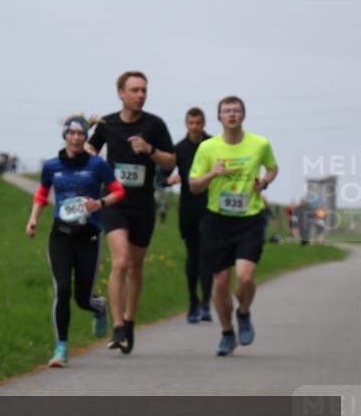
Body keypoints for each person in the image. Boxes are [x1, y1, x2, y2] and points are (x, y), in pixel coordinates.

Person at [85, 71, 176, 354]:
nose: (140, 95)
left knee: (136, 265)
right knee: (121, 260)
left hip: (143, 205)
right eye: (135, 90)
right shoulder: (107, 123)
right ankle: (117, 325)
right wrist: (84, 136)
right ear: (121, 93)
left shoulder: (155, 124)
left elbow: (170, 162)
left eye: (144, 90)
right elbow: (88, 151)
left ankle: (130, 321)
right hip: (114, 202)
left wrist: (149, 150)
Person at [26, 116, 125, 366]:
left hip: (88, 236)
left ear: (85, 137)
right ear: (65, 135)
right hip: (60, 235)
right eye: (72, 133)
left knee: (82, 298)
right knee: (62, 290)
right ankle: (60, 348)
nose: (76, 138)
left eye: (81, 134)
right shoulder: (51, 166)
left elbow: (118, 191)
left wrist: (100, 203)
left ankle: (98, 307)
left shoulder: (97, 165)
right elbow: (42, 192)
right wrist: (33, 218)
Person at [188, 95, 278, 356]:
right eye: (226, 111)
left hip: (250, 218)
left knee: (245, 276)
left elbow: (272, 168)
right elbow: (194, 186)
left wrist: (264, 182)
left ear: (243, 115)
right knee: (221, 283)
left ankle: (244, 312)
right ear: (219, 117)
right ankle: (227, 333)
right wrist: (213, 173)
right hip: (217, 221)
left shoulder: (260, 144)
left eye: (236, 110)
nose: (231, 114)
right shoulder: (207, 148)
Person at [165, 107, 213, 323]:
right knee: (193, 256)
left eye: (198, 123)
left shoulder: (213, 145)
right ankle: (193, 301)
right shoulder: (179, 149)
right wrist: (168, 180)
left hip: (210, 207)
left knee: (206, 256)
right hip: (188, 208)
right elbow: (163, 174)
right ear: (186, 124)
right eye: (191, 123)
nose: (194, 127)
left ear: (203, 124)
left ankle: (206, 303)